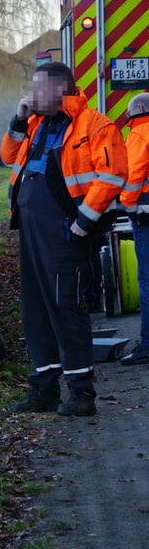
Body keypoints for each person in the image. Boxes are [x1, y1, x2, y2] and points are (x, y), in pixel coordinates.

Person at [1, 61, 128, 416]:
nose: (32, 94)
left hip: (64, 232)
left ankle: (81, 394)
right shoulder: (35, 124)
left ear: (61, 89)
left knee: (66, 307)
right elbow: (7, 157)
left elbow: (113, 174)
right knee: (35, 310)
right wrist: (17, 120)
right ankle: (44, 390)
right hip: (31, 231)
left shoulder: (95, 125)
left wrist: (84, 221)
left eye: (39, 88)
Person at [119, 92, 149, 365]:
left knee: (147, 281)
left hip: (146, 217)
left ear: (137, 110)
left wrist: (126, 205)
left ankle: (148, 345)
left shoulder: (139, 134)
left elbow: (134, 174)